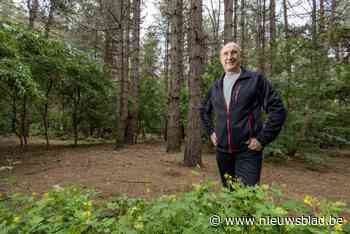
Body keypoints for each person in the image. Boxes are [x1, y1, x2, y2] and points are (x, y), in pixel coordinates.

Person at [200, 42, 286, 187]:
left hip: (248, 151)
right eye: (225, 54)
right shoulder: (216, 86)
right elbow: (203, 110)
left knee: (247, 199)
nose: (229, 57)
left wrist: (262, 139)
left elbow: (277, 109)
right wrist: (211, 132)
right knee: (229, 195)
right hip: (223, 152)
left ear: (240, 56)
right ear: (221, 58)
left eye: (234, 52)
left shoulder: (255, 80)